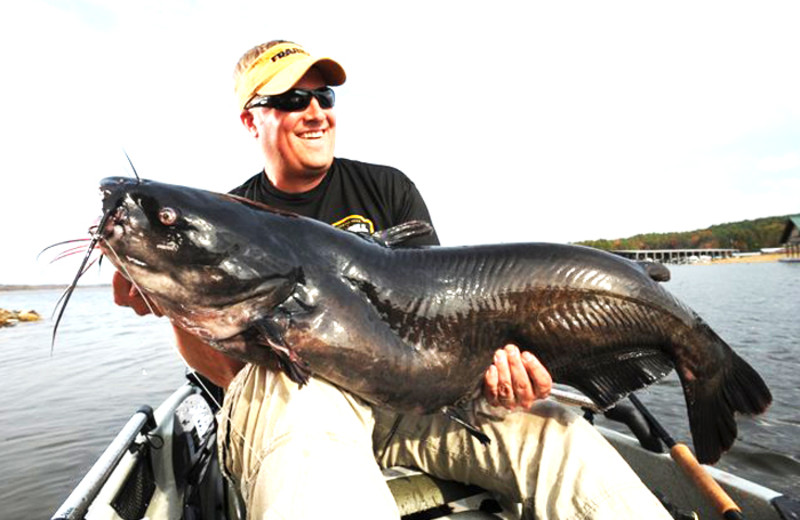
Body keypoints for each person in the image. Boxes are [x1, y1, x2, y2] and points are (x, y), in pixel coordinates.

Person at [113, 40, 671, 519]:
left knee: (558, 433)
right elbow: (236, 381)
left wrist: (502, 374)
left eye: (323, 97)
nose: (315, 112)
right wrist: (173, 306)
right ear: (250, 120)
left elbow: (442, 323)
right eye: (291, 100)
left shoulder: (387, 188)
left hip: (415, 403)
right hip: (300, 403)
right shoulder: (226, 218)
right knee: (298, 409)